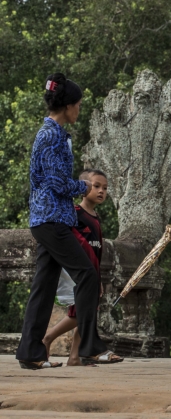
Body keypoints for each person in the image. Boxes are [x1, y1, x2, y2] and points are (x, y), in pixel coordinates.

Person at [17, 73, 122, 370]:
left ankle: (31, 353)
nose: (79, 110)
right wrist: (82, 186)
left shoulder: (56, 133)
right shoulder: (51, 135)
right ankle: (90, 347)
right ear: (67, 106)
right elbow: (55, 183)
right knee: (87, 275)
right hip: (51, 219)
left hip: (50, 218)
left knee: (44, 286)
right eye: (78, 105)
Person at [43, 169, 109, 366]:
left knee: (88, 312)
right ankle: (47, 338)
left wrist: (98, 278)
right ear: (83, 188)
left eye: (105, 188)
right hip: (78, 272)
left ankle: (74, 356)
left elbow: (97, 250)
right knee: (79, 313)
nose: (101, 191)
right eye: (96, 186)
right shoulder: (74, 213)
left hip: (92, 272)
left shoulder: (95, 217)